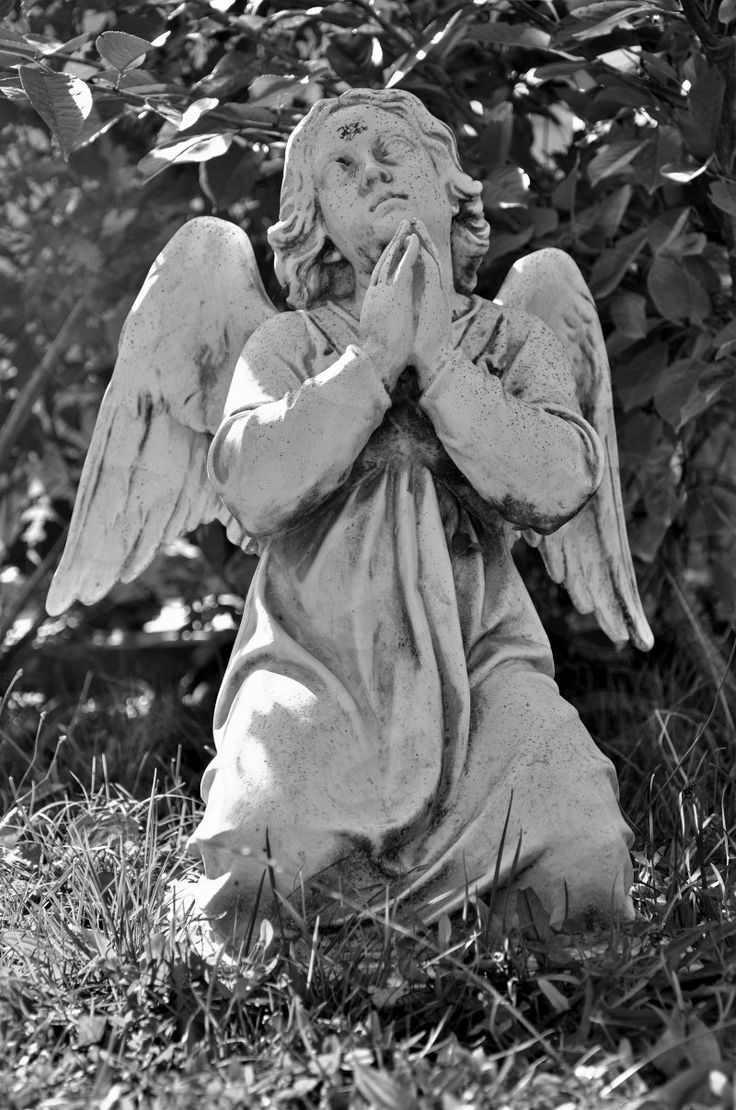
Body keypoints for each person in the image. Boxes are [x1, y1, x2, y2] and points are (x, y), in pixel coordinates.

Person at [185, 88, 634, 938]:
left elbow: (559, 479)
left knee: (579, 835)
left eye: (399, 156)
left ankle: (521, 934)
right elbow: (252, 483)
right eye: (343, 169)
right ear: (314, 222)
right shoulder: (285, 346)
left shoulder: (510, 339)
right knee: (262, 843)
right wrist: (372, 361)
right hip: (316, 668)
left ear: (450, 188)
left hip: (483, 667)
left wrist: (436, 364)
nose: (375, 173)